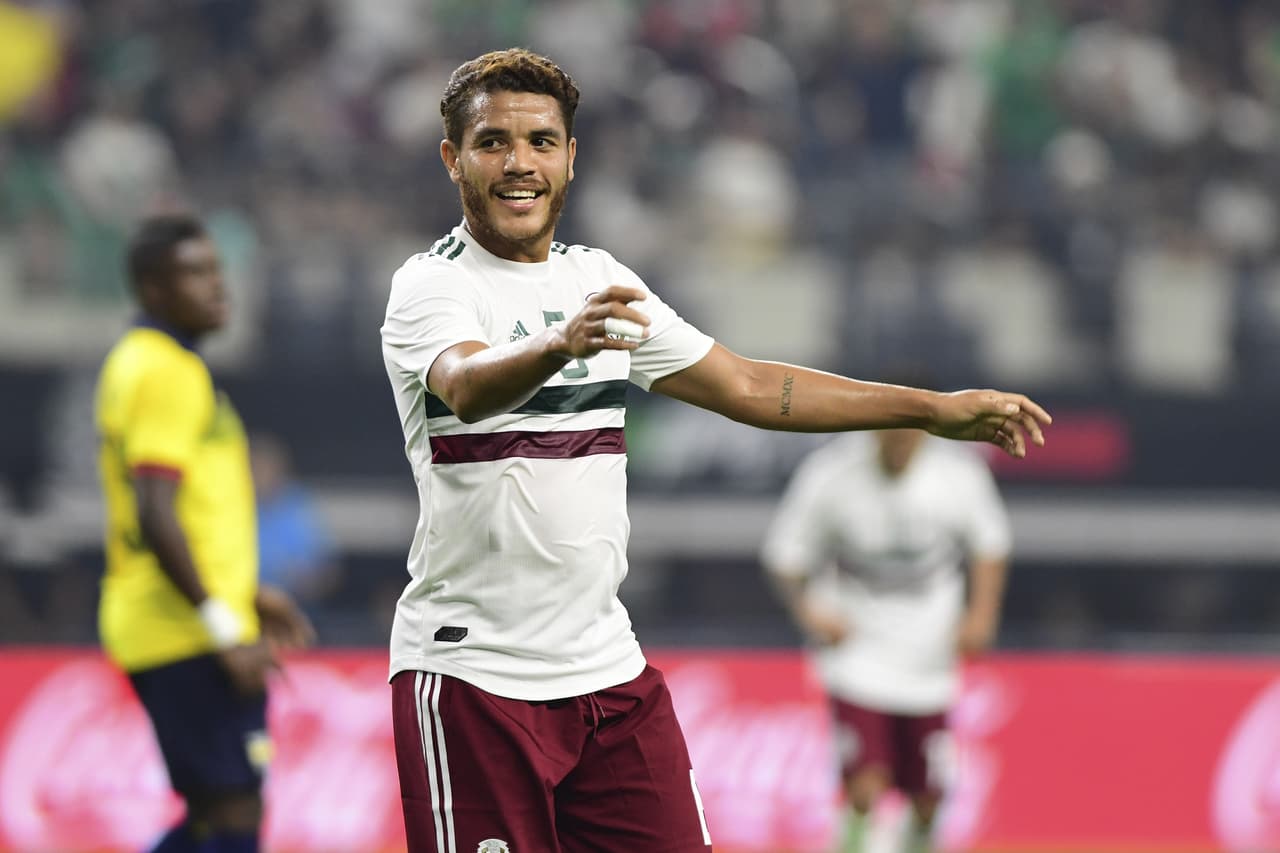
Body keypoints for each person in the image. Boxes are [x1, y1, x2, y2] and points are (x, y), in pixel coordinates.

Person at [378, 47, 1049, 853]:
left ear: (571, 157)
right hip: (472, 677)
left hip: (605, 669)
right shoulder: (434, 284)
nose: (519, 164)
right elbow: (465, 383)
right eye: (493, 143)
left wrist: (931, 410)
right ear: (454, 159)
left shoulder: (600, 279)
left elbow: (749, 386)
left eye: (541, 142)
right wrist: (561, 343)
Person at [94, 214, 314, 853]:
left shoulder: (153, 364)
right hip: (182, 631)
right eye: (195, 273)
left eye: (216, 269)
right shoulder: (165, 370)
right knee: (232, 811)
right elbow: (155, 515)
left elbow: (190, 513)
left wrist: (244, 595)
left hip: (185, 623)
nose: (218, 287)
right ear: (152, 290)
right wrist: (223, 630)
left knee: (218, 813)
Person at [762, 426, 1012, 853]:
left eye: (909, 437)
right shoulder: (832, 472)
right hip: (857, 655)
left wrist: (981, 615)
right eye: (890, 435)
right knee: (864, 787)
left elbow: (991, 543)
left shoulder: (957, 474)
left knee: (928, 797)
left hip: (929, 660)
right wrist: (811, 613)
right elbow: (785, 551)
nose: (899, 447)